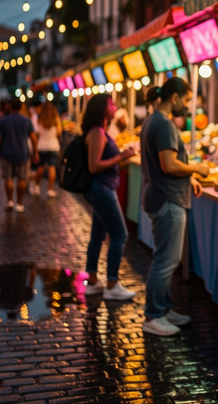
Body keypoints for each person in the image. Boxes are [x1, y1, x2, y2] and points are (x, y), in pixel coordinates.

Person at [140, 77, 211, 336]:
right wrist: (197, 168)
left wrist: (188, 177)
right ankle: (154, 315)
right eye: (187, 99)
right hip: (167, 198)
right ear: (175, 98)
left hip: (161, 194)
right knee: (166, 260)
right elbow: (169, 164)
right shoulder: (164, 124)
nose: (188, 105)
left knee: (165, 257)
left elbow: (166, 164)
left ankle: (164, 308)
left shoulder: (152, 120)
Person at [81, 94, 138, 302]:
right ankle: (112, 284)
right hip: (102, 189)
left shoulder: (100, 131)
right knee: (120, 235)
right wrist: (121, 157)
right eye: (111, 103)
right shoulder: (97, 133)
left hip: (101, 188)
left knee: (97, 234)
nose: (115, 106)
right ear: (102, 108)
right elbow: (94, 165)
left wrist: (121, 158)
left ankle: (93, 282)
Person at [0, 99, 38, 212]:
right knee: (22, 179)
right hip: (23, 153)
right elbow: (33, 138)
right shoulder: (27, 121)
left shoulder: (4, 121)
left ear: (10, 107)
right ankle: (19, 204)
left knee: (8, 178)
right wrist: (35, 153)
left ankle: (10, 201)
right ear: (21, 107)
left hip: (7, 153)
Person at [32, 101, 62, 197]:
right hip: (53, 146)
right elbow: (59, 132)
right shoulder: (56, 120)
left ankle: (36, 187)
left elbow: (37, 133)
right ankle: (50, 190)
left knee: (40, 167)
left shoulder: (40, 120)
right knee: (52, 167)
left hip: (42, 146)